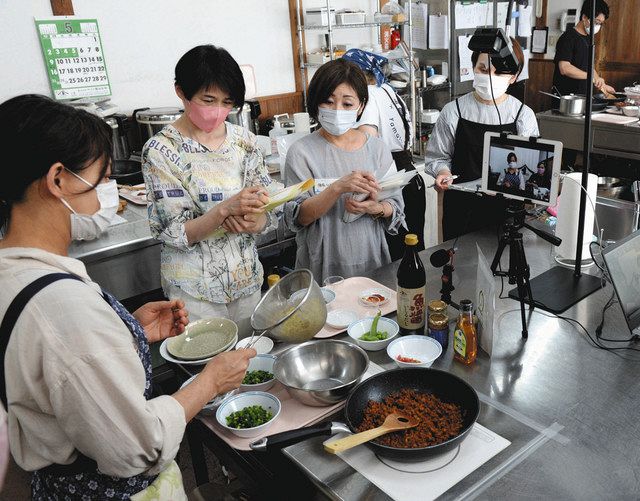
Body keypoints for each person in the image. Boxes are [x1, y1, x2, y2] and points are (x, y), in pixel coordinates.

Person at [0, 94, 256, 500]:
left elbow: (57, 374)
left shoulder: (12, 273)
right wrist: (210, 382)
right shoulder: (63, 310)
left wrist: (127, 331)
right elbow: (141, 447)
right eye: (101, 178)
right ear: (58, 180)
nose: (110, 192)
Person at [142, 45, 281, 324]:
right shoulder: (160, 150)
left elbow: (268, 211)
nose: (218, 111)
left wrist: (257, 221)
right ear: (181, 91)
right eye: (208, 100)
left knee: (249, 361)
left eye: (227, 102)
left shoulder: (245, 142)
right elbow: (173, 232)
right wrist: (223, 211)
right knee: (207, 366)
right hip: (194, 292)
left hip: (246, 280)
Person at [284, 59, 405, 282]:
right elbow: (298, 217)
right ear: (315, 103)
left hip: (371, 258)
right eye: (328, 102)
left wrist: (375, 208)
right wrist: (337, 188)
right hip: (321, 263)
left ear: (361, 106)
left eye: (347, 104)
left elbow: (395, 207)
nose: (337, 110)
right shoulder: (301, 152)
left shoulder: (377, 149)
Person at [426, 38, 539, 240]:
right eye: (483, 69)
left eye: (499, 72)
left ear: (513, 77)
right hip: (461, 210)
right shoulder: (454, 111)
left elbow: (528, 169)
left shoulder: (523, 115)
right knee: (460, 267)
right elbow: (438, 157)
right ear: (473, 68)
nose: (490, 77)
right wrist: (443, 172)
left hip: (507, 211)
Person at [342, 49, 426, 260]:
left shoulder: (367, 97)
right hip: (410, 175)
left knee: (395, 259)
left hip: (390, 181)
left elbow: (366, 143)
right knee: (413, 253)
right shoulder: (387, 90)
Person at [552, 0, 615, 97]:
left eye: (601, 23)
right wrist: (592, 78)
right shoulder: (568, 38)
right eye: (596, 22)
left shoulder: (588, 39)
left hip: (583, 97)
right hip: (566, 98)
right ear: (584, 17)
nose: (598, 26)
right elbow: (564, 68)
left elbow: (589, 67)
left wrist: (602, 84)